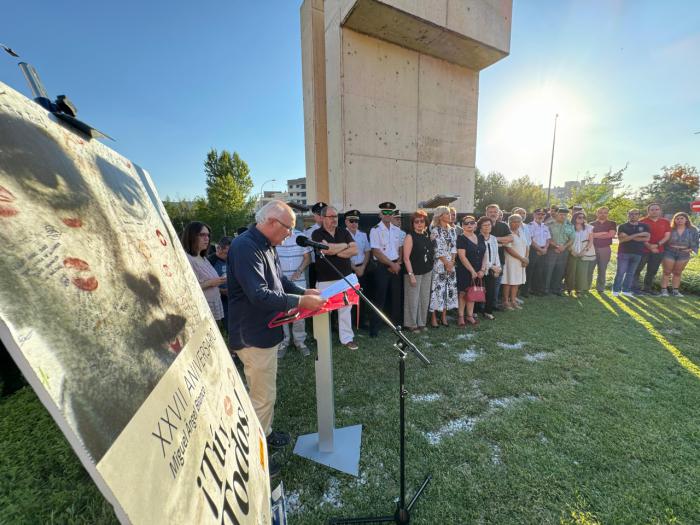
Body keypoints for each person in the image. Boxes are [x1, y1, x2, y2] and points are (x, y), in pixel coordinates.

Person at [228, 200, 326, 476]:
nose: (289, 235)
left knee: (264, 392)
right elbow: (259, 294)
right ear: (271, 222)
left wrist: (303, 292)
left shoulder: (266, 245)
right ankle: (253, 460)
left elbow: (280, 281)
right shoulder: (246, 247)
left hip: (263, 331)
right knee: (262, 398)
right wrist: (300, 302)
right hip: (252, 334)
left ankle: (265, 434)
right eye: (288, 228)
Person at [312, 205, 359, 349]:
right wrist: (344, 246)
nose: (334, 219)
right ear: (323, 218)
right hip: (324, 279)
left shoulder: (343, 231)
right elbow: (325, 250)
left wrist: (334, 249)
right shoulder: (316, 234)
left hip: (344, 278)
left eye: (336, 216)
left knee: (346, 309)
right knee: (321, 310)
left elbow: (355, 250)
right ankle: (321, 340)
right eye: (331, 217)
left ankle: (346, 339)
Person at [275, 226, 312, 357]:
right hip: (280, 282)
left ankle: (300, 342)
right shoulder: (276, 237)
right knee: (282, 311)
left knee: (299, 312)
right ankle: (283, 342)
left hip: (298, 281)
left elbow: (308, 258)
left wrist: (299, 270)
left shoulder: (301, 237)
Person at [369, 202, 404, 336]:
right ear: (380, 214)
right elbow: (376, 251)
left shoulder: (397, 230)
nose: (388, 215)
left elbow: (400, 248)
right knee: (379, 298)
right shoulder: (375, 229)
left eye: (390, 212)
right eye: (385, 212)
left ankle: (395, 326)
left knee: (396, 297)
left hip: (396, 265)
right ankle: (375, 329)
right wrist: (392, 264)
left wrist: (398, 263)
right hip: (382, 267)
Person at [182, 222, 226, 323]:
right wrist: (211, 283)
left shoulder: (202, 257)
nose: (207, 238)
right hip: (202, 310)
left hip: (213, 306)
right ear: (191, 236)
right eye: (202, 235)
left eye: (208, 235)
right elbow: (187, 288)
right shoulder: (187, 259)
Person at [402, 209, 433, 332]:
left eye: (422, 221)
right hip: (414, 272)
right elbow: (406, 258)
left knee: (424, 298)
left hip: (427, 271)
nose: (419, 223)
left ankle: (421, 322)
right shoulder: (410, 237)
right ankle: (411, 324)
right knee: (412, 299)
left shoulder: (426, 235)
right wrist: (411, 274)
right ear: (412, 224)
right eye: (416, 222)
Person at [429, 206, 458, 327]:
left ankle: (444, 317)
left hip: (451, 264)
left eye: (450, 213)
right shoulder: (435, 230)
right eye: (446, 213)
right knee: (437, 290)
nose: (450, 215)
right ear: (440, 216)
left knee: (448, 289)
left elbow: (454, 247)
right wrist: (446, 263)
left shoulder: (452, 230)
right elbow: (437, 249)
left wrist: (452, 262)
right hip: (440, 264)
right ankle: (434, 318)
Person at [633, 203, 671, 295]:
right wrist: (649, 246)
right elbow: (639, 236)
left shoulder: (665, 222)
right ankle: (634, 288)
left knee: (652, 270)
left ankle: (647, 288)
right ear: (648, 211)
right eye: (652, 210)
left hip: (658, 250)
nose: (654, 211)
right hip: (642, 250)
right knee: (637, 269)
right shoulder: (642, 221)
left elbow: (667, 236)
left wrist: (657, 245)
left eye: (656, 209)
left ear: (660, 211)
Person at [612, 209, 650, 297]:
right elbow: (622, 239)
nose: (633, 215)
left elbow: (647, 238)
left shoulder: (645, 226)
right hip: (624, 252)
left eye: (635, 214)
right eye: (631, 214)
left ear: (639, 215)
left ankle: (626, 290)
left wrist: (629, 236)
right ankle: (616, 290)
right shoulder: (622, 226)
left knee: (631, 273)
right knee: (620, 272)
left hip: (638, 253)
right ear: (628, 215)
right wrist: (638, 235)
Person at [456, 215, 486, 326]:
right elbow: (462, 256)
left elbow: (484, 254)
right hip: (465, 270)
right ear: (462, 226)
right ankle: (460, 316)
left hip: (479, 271)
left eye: (472, 223)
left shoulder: (480, 237)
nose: (469, 225)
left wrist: (482, 269)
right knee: (463, 293)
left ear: (475, 225)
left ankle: (469, 315)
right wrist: (472, 271)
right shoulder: (461, 238)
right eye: (466, 223)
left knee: (472, 292)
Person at [660, 212, 699, 297]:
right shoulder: (670, 228)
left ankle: (675, 291)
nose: (679, 220)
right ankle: (664, 290)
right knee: (667, 271)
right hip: (669, 251)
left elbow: (696, 242)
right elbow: (664, 239)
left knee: (677, 272)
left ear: (686, 219)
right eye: (677, 218)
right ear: (674, 220)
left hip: (684, 253)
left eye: (682, 218)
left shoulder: (693, 229)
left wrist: (691, 249)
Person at [345, 209, 371, 328]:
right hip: (348, 270)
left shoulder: (363, 234)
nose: (354, 223)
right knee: (348, 297)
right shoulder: (342, 234)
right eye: (351, 221)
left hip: (362, 269)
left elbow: (367, 252)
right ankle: (349, 323)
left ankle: (361, 322)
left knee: (362, 296)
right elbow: (343, 254)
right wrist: (354, 268)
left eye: (356, 221)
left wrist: (363, 267)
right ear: (346, 222)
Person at [484, 204, 513, 308]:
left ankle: (493, 305)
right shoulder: (481, 224)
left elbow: (510, 238)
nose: (493, 214)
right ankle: (482, 306)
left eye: (495, 212)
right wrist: (501, 243)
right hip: (484, 260)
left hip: (499, 259)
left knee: (496, 283)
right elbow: (481, 240)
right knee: (484, 284)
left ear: (498, 213)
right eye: (490, 212)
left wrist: (494, 239)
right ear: (486, 213)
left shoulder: (503, 225)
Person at [545, 207, 574, 296]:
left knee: (560, 271)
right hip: (552, 250)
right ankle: (546, 289)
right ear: (556, 214)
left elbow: (572, 239)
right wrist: (557, 246)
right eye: (561, 214)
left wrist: (563, 247)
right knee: (549, 270)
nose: (563, 216)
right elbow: (547, 237)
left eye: (565, 215)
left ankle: (556, 288)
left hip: (564, 251)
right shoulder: (549, 224)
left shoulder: (570, 225)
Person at [501, 214, 529, 309]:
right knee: (508, 280)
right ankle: (505, 301)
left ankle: (513, 300)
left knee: (517, 281)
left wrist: (526, 258)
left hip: (521, 261)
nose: (517, 224)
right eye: (514, 221)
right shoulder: (507, 232)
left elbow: (526, 245)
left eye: (519, 221)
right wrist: (521, 258)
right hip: (511, 261)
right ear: (509, 222)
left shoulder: (521, 231)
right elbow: (508, 249)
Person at [565, 212, 596, 295]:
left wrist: (584, 251)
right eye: (579, 217)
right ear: (575, 218)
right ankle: (569, 289)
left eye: (583, 217)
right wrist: (572, 251)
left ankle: (579, 289)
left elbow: (590, 241)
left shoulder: (589, 228)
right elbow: (567, 240)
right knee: (571, 271)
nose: (582, 219)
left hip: (584, 252)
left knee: (582, 271)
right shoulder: (569, 227)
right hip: (572, 251)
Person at [207, 236, 232, 332]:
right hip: (219, 300)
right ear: (219, 248)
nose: (228, 256)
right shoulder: (210, 261)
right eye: (226, 253)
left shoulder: (231, 259)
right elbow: (204, 284)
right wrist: (222, 291)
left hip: (233, 297)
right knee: (228, 326)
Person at [590, 207, 617, 292]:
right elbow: (589, 235)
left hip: (605, 249)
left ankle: (600, 288)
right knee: (589, 269)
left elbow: (611, 235)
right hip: (592, 248)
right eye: (600, 212)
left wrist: (595, 235)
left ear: (607, 214)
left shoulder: (612, 223)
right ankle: (586, 287)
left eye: (605, 212)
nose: (603, 214)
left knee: (602, 269)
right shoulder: (591, 224)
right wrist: (603, 233)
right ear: (597, 213)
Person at [526, 208, 550, 295]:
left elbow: (548, 239)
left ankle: (536, 289)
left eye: (543, 214)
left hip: (543, 250)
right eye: (539, 214)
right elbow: (531, 240)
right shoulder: (530, 226)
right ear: (534, 215)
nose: (540, 216)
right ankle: (527, 289)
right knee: (530, 270)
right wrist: (540, 249)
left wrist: (545, 249)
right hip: (533, 250)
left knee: (540, 271)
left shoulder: (545, 227)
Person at [304, 201, 327, 287]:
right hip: (315, 266)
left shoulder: (334, 229)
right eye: (318, 214)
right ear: (314, 216)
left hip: (331, 265)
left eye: (323, 213)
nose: (321, 216)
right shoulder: (308, 231)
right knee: (315, 291)